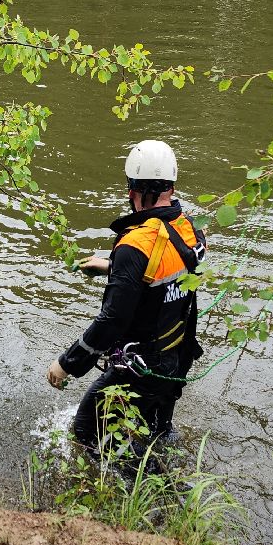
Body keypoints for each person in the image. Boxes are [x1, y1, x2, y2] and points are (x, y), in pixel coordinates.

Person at [46, 140, 206, 470]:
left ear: (131, 188)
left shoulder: (135, 245)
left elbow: (112, 321)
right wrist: (114, 267)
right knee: (155, 433)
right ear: (172, 187)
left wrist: (67, 364)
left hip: (141, 368)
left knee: (87, 432)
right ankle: (167, 476)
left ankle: (153, 499)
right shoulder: (190, 229)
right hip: (177, 357)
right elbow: (169, 273)